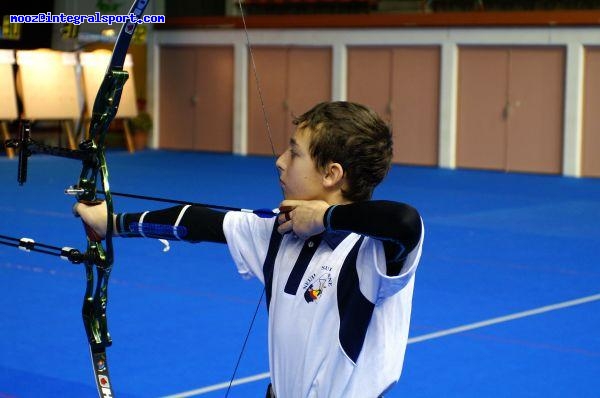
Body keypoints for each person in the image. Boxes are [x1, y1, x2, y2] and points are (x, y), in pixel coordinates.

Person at [75, 101, 424, 398]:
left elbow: (405, 221)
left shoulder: (373, 251)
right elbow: (196, 222)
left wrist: (325, 217)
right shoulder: (280, 230)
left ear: (332, 174)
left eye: (295, 152)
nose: (281, 161)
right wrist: (114, 223)